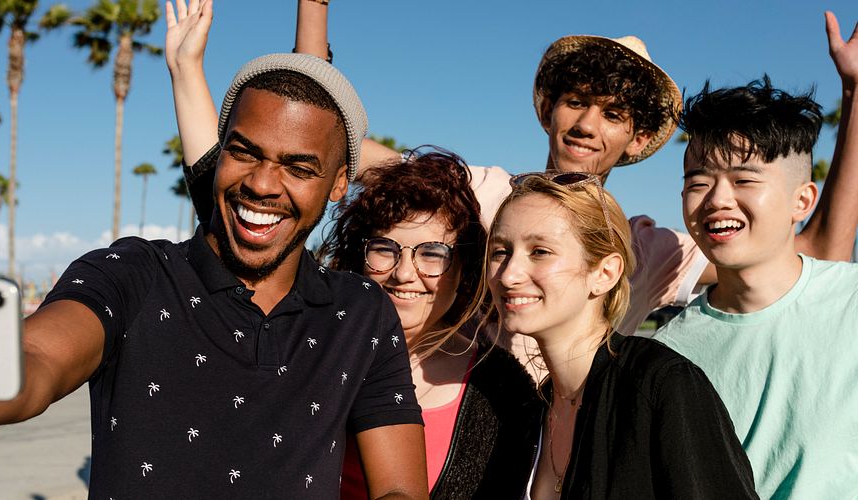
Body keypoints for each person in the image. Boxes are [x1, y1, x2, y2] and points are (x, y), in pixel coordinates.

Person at [0, 52, 430, 499]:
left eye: (299, 167)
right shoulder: (133, 273)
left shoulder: (360, 311)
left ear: (336, 185)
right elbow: (32, 369)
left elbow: (400, 486)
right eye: (245, 152)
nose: (261, 184)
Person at [173, 2, 858, 357]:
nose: (589, 123)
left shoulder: (651, 250)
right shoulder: (487, 193)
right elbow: (329, 140)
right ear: (550, 108)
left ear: (636, 137)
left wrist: (854, 100)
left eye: (613, 112)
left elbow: (814, 256)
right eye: (577, 100)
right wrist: (314, 11)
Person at [485, 172, 756, 498]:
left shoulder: (659, 384)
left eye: (540, 251)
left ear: (604, 273)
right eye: (500, 251)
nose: (509, 274)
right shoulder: (532, 410)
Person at [653, 76, 858, 498]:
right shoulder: (668, 354)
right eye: (698, 182)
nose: (716, 200)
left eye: (743, 180)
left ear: (802, 201)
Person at [322, 147, 537, 498]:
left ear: (463, 270)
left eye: (432, 253)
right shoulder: (315, 351)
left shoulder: (506, 391)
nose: (404, 273)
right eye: (385, 248)